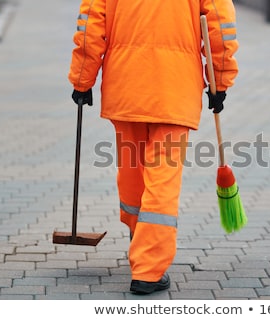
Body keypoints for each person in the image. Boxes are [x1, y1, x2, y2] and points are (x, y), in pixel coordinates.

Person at [68, 0, 238, 294]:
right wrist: (219, 81)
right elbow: (220, 26)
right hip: (175, 88)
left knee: (132, 169)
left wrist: (82, 79)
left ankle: (139, 237)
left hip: (126, 84)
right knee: (163, 178)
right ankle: (148, 268)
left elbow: (90, 25)